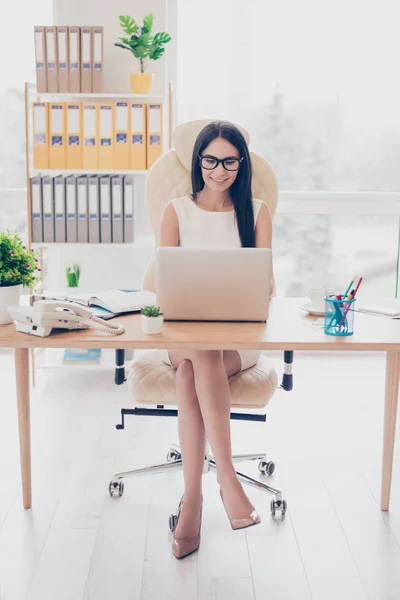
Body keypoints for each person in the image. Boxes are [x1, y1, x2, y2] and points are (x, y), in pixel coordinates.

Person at [159, 120, 273, 559]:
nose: (219, 170)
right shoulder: (176, 211)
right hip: (182, 336)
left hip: (237, 342)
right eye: (210, 160)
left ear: (241, 163)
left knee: (194, 372)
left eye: (229, 161)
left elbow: (265, 285)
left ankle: (194, 502)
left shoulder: (256, 212)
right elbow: (164, 289)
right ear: (198, 161)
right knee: (200, 352)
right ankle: (227, 479)